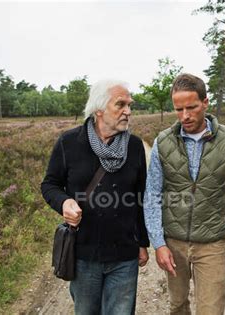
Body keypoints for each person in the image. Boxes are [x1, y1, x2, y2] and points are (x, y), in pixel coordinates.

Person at [143, 73, 225, 315]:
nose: (185, 116)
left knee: (211, 310)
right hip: (173, 243)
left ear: (205, 102)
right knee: (178, 306)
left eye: (191, 107)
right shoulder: (162, 142)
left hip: (212, 245)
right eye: (178, 109)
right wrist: (158, 243)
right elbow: (152, 196)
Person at [41, 79, 149, 315]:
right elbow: (50, 185)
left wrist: (142, 242)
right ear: (99, 109)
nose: (128, 111)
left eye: (130, 105)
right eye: (120, 105)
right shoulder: (69, 143)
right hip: (84, 254)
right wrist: (64, 202)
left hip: (124, 255)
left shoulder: (134, 146)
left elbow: (141, 198)